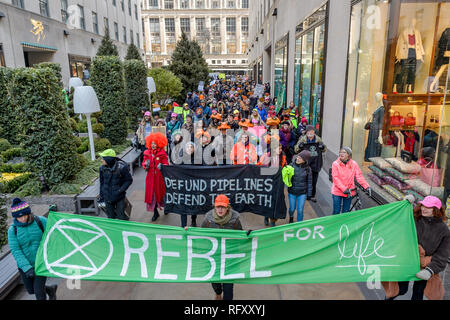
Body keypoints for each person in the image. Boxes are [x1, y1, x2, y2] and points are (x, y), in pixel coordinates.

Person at [384, 196, 450, 300]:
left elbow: (443, 255)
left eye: (428, 207)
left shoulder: (444, 230)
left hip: (425, 266)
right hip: (407, 260)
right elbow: (398, 216)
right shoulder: (414, 218)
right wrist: (404, 202)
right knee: (400, 289)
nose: (423, 209)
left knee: (418, 294)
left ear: (436, 210)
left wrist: (430, 270)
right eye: (423, 205)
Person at [8, 199, 57, 300]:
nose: (22, 218)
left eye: (24, 215)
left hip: (40, 262)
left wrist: (53, 215)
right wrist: (27, 267)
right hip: (25, 266)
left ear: (28, 213)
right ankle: (50, 289)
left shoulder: (40, 221)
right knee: (31, 290)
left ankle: (46, 293)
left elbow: (55, 229)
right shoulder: (13, 230)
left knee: (39, 293)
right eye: (19, 216)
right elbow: (16, 251)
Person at [201, 194, 243, 300]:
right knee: (215, 282)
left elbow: (241, 236)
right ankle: (218, 292)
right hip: (213, 258)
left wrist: (248, 234)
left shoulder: (235, 220)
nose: (220, 209)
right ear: (214, 206)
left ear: (227, 207)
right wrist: (188, 230)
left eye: (223, 207)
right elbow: (200, 233)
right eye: (218, 206)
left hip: (230, 259)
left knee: (228, 291)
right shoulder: (208, 219)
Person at [331, 147, 371, 214]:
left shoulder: (354, 164)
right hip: (337, 191)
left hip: (349, 192)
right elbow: (335, 178)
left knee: (346, 212)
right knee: (336, 211)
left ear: (348, 155)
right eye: (340, 152)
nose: (341, 154)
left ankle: (343, 224)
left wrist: (366, 186)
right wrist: (344, 189)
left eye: (344, 152)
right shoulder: (335, 164)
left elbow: (359, 176)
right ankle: (334, 224)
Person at [294, 125, 327, 202]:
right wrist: (299, 146)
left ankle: (312, 195)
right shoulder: (302, 139)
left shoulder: (318, 139)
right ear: (306, 132)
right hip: (305, 164)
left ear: (314, 132)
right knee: (304, 180)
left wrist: (322, 147)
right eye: (308, 132)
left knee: (314, 180)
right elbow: (296, 149)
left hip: (316, 163)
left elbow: (324, 149)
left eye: (311, 131)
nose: (310, 133)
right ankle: (303, 194)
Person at [98, 149, 133, 220]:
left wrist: (120, 190)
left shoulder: (122, 167)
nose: (101, 160)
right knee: (111, 218)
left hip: (119, 197)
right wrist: (101, 197)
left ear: (108, 159)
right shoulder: (101, 168)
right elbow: (102, 183)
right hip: (107, 197)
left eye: (103, 158)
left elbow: (129, 180)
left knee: (121, 217)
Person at [143, 132, 169, 222]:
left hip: (159, 178)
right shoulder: (147, 153)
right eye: (152, 143)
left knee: (161, 194)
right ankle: (155, 212)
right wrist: (145, 164)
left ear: (158, 144)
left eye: (155, 143)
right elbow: (144, 162)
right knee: (152, 196)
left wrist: (162, 165)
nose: (153, 145)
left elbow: (166, 163)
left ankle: (166, 207)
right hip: (150, 178)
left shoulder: (162, 153)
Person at [284, 151, 313, 223]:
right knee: (292, 209)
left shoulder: (308, 169)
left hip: (302, 193)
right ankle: (291, 217)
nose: (297, 158)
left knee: (300, 210)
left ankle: (299, 225)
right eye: (298, 157)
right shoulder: (291, 166)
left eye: (300, 158)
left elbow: (309, 182)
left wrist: (309, 194)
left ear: (304, 160)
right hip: (292, 192)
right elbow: (286, 177)